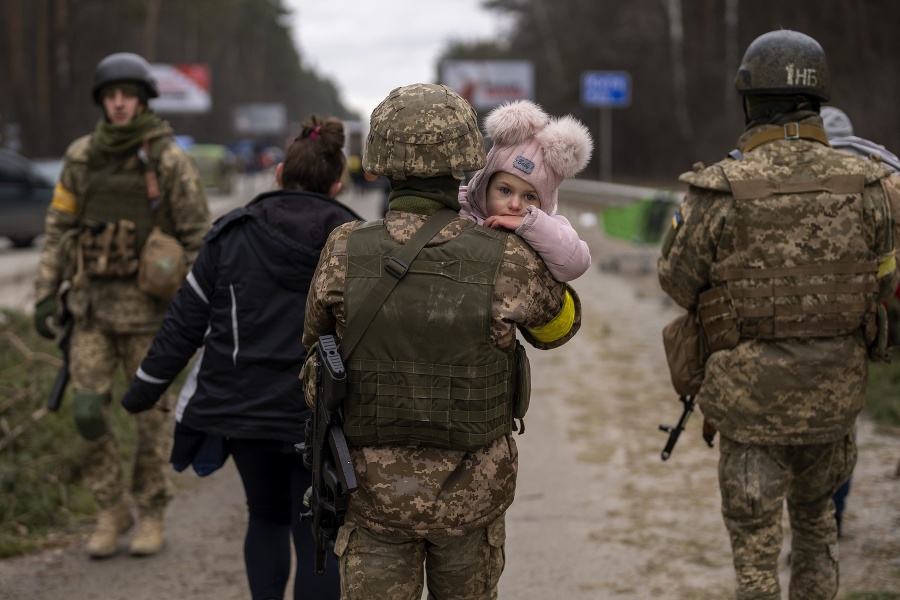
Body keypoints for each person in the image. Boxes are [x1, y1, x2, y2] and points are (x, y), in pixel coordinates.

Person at [302, 83, 581, 600]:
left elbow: (315, 345)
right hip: (470, 500)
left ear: (379, 161)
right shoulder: (505, 254)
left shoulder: (344, 248)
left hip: (372, 498)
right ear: (468, 159)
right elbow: (558, 329)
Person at [657, 30, 899, 599]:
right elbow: (884, 281)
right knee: (817, 529)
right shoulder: (868, 186)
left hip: (748, 409)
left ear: (749, 102)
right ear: (819, 101)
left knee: (755, 546)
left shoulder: (717, 189)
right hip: (835, 400)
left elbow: (676, 282)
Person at [119, 115, 360, 600]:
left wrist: (144, 388)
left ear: (277, 175)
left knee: (265, 517)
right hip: (324, 416)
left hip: (243, 413)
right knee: (320, 531)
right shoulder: (356, 242)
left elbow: (185, 321)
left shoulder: (230, 235)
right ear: (337, 184)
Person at [32, 52, 210, 559]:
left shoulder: (167, 159)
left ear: (142, 99)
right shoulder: (82, 156)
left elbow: (198, 235)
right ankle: (112, 508)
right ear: (101, 100)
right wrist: (46, 291)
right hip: (90, 309)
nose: (118, 103)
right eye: (111, 95)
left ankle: (151, 509)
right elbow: (58, 227)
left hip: (149, 315)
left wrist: (194, 305)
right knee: (87, 411)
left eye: (127, 95)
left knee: (151, 419)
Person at [820, 105, 900, 539]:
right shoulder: (878, 181)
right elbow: (886, 275)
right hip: (854, 331)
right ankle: (832, 515)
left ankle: (815, 519)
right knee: (841, 430)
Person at [459, 99, 593, 282]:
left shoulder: (549, 228)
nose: (515, 205)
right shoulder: (460, 207)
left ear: (545, 203)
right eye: (505, 191)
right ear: (484, 185)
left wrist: (531, 225)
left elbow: (576, 263)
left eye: (529, 196)